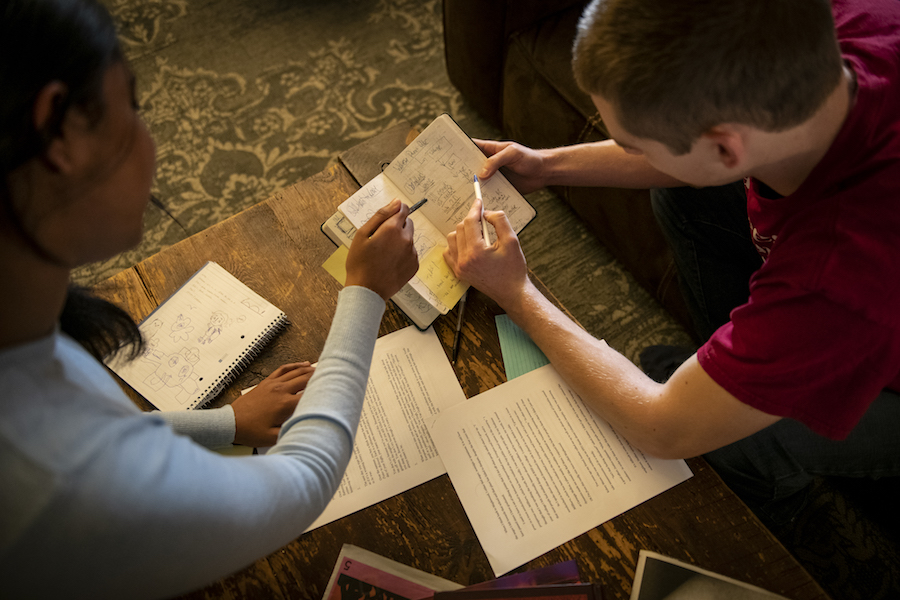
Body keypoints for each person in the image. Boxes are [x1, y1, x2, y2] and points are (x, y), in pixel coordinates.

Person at [0, 0, 418, 597]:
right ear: (59, 133)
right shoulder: (68, 479)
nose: (150, 140)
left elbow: (113, 429)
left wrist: (224, 423)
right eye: (133, 109)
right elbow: (304, 479)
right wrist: (366, 292)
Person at [444, 0, 900, 528]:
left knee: (733, 439)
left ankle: (770, 497)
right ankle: (729, 360)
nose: (626, 148)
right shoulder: (826, 26)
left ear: (727, 149)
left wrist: (516, 292)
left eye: (636, 144)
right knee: (681, 197)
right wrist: (546, 165)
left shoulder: (837, 278)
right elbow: (691, 163)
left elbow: (661, 429)